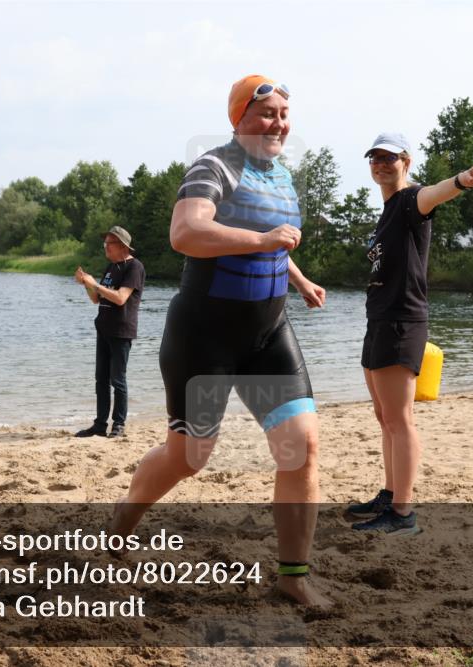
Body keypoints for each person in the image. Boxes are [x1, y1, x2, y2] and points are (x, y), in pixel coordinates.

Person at [109, 75, 330, 607]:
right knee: (190, 458)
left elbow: (276, 239)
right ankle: (125, 518)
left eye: (283, 113)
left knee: (302, 446)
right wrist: (263, 240)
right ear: (238, 118)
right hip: (205, 337)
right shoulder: (214, 166)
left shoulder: (280, 175)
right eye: (265, 113)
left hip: (267, 333)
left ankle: (293, 577)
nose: (278, 122)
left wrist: (297, 279)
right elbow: (185, 233)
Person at [347, 132, 473, 534]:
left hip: (402, 321)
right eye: (374, 158)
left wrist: (465, 178)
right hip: (378, 320)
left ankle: (403, 512)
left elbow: (435, 193)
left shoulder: (411, 201)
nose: (380, 164)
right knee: (385, 417)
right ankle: (389, 492)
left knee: (400, 419)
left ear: (406, 162)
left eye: (389, 158)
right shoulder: (387, 209)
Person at [74, 226, 145, 439]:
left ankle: (119, 425)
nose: (105, 246)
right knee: (101, 380)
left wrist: (95, 284)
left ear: (123, 245)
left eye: (109, 243)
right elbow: (97, 299)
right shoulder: (111, 267)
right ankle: (99, 425)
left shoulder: (134, 267)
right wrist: (87, 284)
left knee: (118, 380)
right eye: (104, 242)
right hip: (103, 329)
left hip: (121, 331)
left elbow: (121, 298)